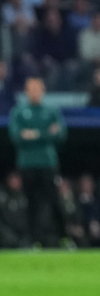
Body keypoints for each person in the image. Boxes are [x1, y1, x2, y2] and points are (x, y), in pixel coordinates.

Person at [7, 77, 66, 246]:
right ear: (26, 92)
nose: (33, 92)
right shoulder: (19, 111)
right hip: (27, 163)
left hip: (48, 162)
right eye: (30, 89)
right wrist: (46, 133)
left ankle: (62, 237)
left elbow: (61, 133)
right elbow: (16, 136)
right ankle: (34, 240)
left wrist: (33, 134)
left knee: (54, 200)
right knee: (31, 202)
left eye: (37, 89)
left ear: (42, 91)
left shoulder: (52, 110)